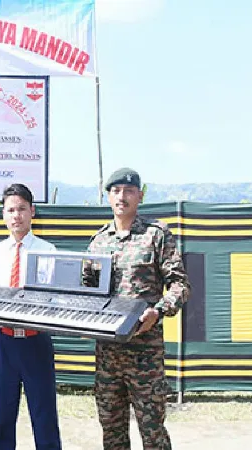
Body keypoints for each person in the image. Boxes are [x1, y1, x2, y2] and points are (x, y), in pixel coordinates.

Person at [82, 167, 191, 450]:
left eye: (129, 191)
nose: (122, 197)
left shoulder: (156, 235)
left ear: (140, 196)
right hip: (108, 355)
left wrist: (159, 309)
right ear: (108, 197)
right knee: (112, 431)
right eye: (116, 191)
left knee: (152, 431)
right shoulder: (98, 242)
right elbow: (88, 292)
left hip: (145, 355)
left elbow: (180, 285)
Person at [0, 183, 62, 450]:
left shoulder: (48, 251)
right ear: (3, 215)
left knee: (44, 415)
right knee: (3, 415)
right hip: (5, 343)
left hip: (36, 342)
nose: (17, 215)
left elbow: (53, 298)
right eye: (11, 210)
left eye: (22, 209)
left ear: (32, 211)